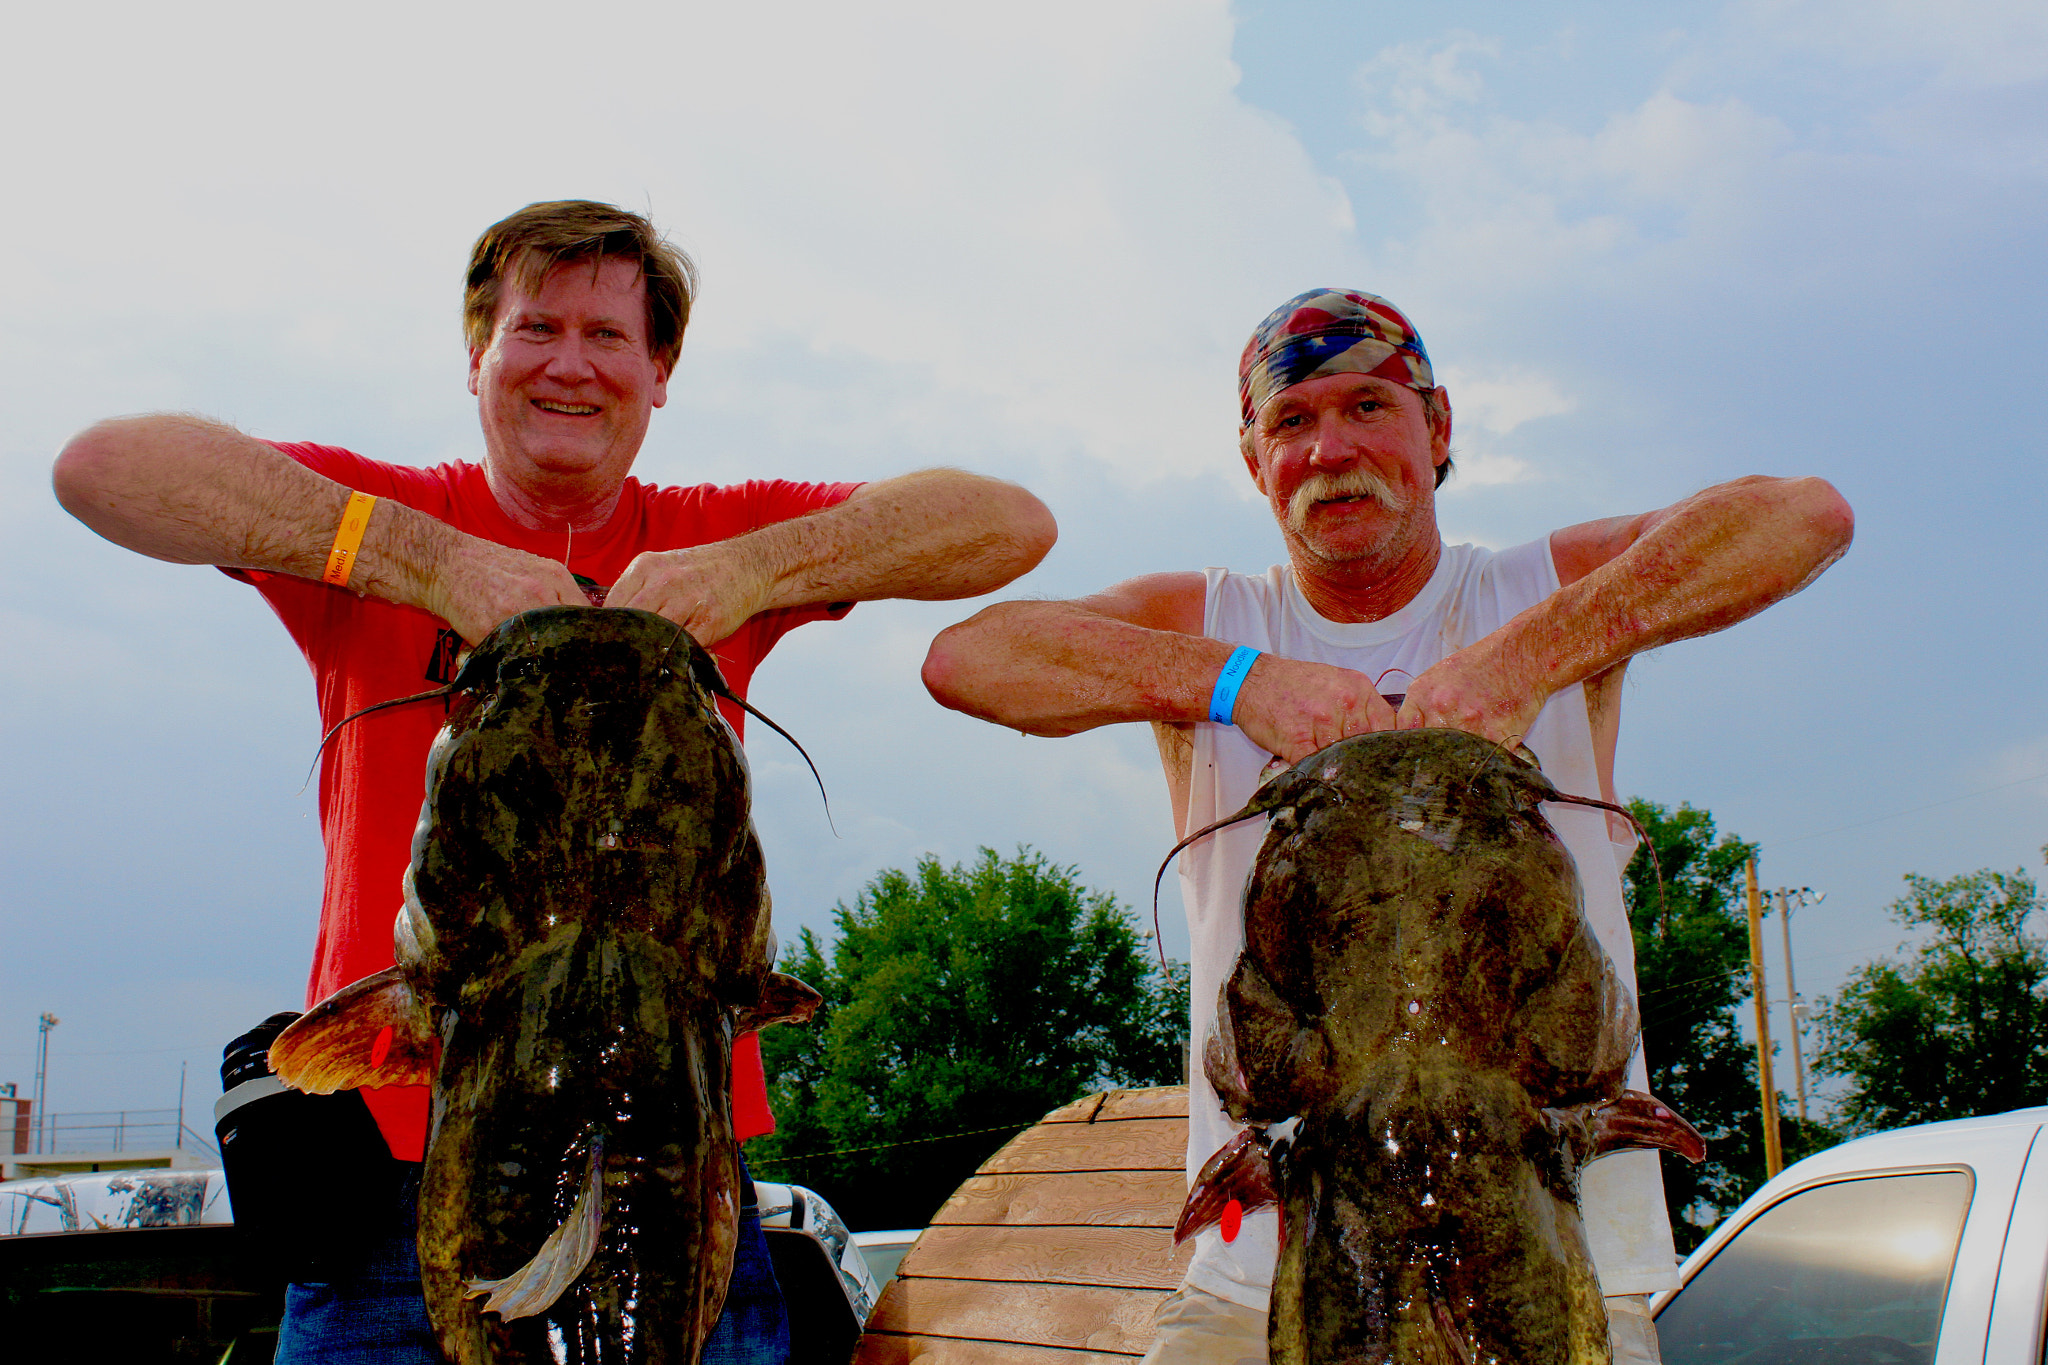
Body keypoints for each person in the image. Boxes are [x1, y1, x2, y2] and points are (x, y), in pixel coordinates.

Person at [53, 199, 1056, 1364]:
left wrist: (753, 567)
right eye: (534, 328)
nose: (568, 366)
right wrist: (427, 561)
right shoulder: (379, 523)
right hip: (384, 1179)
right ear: (476, 355)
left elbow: (1009, 525)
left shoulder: (712, 538)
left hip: (676, 1162)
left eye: (608, 336)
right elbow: (100, 469)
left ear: (660, 372)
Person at [921, 288, 1853, 1364]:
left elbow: (1804, 516)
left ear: (1437, 426)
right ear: (1251, 457)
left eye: (1368, 406)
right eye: (1290, 421)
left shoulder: (1533, 591)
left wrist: (1530, 654)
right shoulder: (1215, 622)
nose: (1328, 448)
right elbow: (967, 658)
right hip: (1263, 1276)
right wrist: (1238, 682)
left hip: (1563, 1260)